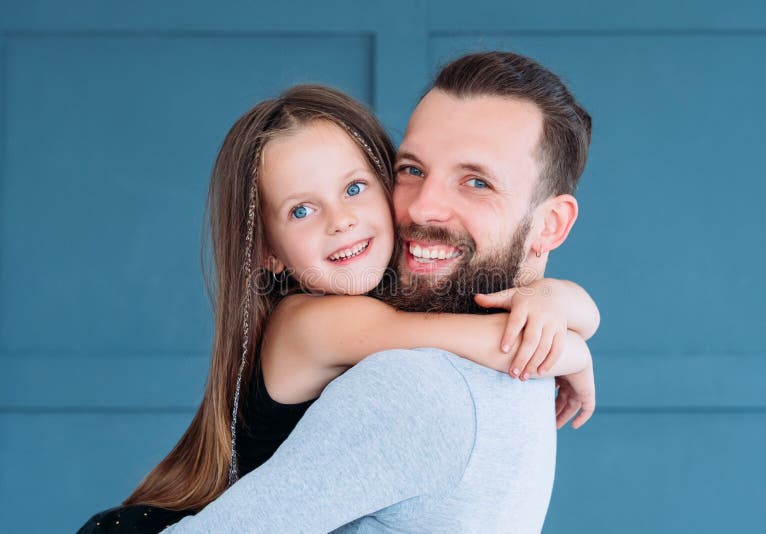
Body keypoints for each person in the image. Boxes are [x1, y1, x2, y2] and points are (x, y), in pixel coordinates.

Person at [79, 73, 597, 532]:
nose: (341, 221)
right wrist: (569, 347)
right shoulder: (317, 321)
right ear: (268, 252)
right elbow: (482, 339)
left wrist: (556, 299)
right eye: (302, 209)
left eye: (355, 188)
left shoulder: (388, 291)